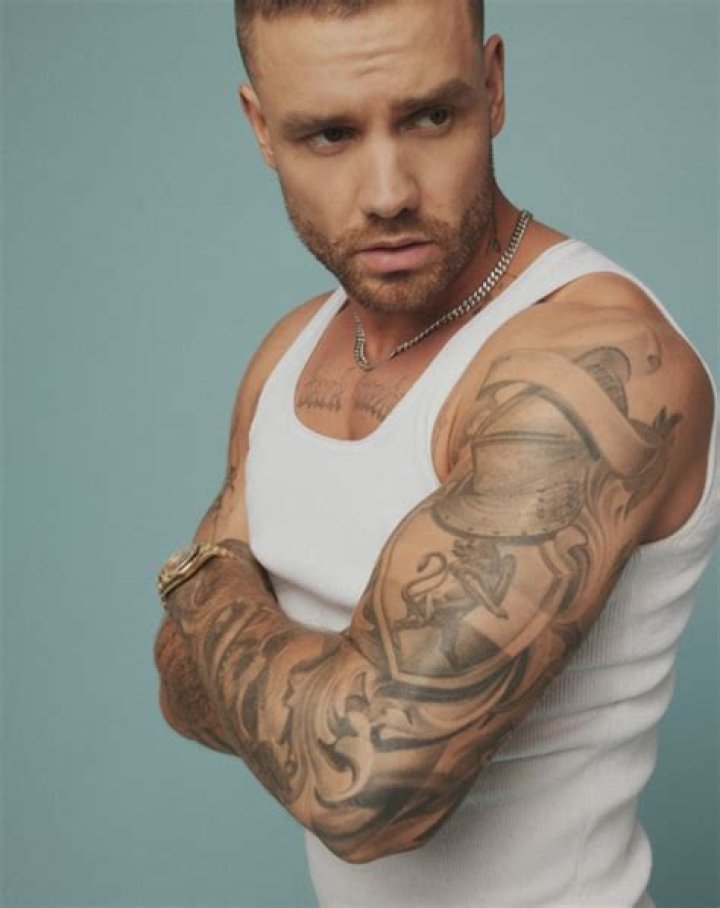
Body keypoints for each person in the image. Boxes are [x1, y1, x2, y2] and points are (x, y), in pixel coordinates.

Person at [153, 1, 719, 905]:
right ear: (261, 127)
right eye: (330, 134)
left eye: (428, 116)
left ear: (492, 87)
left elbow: (363, 791)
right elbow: (178, 689)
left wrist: (200, 576)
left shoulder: (590, 363)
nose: (388, 192)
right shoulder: (288, 354)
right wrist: (311, 691)